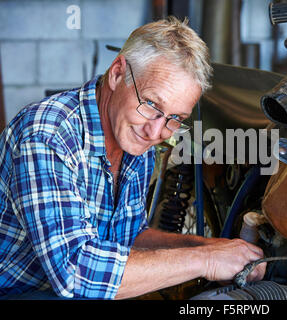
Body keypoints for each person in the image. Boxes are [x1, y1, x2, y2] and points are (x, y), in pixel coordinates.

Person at [0, 17, 266, 300]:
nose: (156, 132)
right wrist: (206, 261)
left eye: (175, 118)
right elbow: (74, 273)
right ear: (117, 74)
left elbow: (127, 238)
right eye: (151, 104)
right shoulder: (48, 134)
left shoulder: (135, 141)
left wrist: (211, 247)